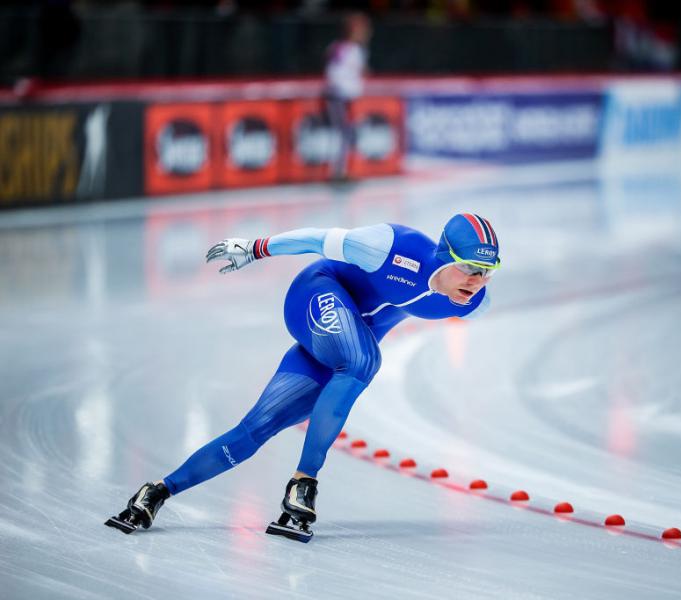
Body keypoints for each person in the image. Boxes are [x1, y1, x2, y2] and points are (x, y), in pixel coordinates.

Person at [105, 213, 500, 541]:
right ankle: (303, 483)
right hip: (315, 295)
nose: (476, 280)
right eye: (468, 268)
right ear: (442, 255)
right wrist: (255, 248)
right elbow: (318, 238)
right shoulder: (391, 247)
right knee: (364, 362)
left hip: (338, 345)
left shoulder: (474, 303)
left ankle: (155, 493)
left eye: (487, 272)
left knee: (255, 430)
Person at [323, 12, 371, 181]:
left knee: (349, 134)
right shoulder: (339, 49)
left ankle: (344, 170)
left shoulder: (357, 50)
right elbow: (333, 74)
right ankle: (337, 172)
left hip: (350, 99)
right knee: (340, 133)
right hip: (339, 98)